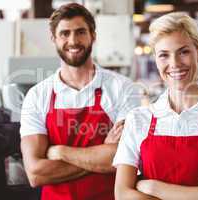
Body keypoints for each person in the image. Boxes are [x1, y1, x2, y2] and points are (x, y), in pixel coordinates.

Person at [114, 12, 198, 200]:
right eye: (164, 55)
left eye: (183, 52)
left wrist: (152, 187)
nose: (174, 64)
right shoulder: (138, 118)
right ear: (155, 59)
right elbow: (122, 194)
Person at [20, 3, 141, 200]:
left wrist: (59, 151)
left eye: (80, 32)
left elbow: (124, 159)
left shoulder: (122, 88)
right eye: (65, 34)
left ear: (93, 35)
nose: (73, 40)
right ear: (54, 39)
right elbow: (35, 173)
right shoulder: (37, 96)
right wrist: (100, 156)